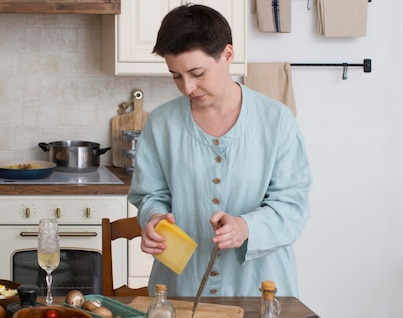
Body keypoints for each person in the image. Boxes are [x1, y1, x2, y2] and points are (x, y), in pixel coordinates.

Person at [127, 4, 312, 298]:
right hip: (180, 289)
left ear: (227, 54)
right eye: (175, 76)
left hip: (259, 290)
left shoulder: (276, 120)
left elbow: (293, 205)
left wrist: (247, 226)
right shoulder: (161, 122)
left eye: (196, 73)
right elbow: (150, 195)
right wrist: (154, 219)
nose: (187, 87)